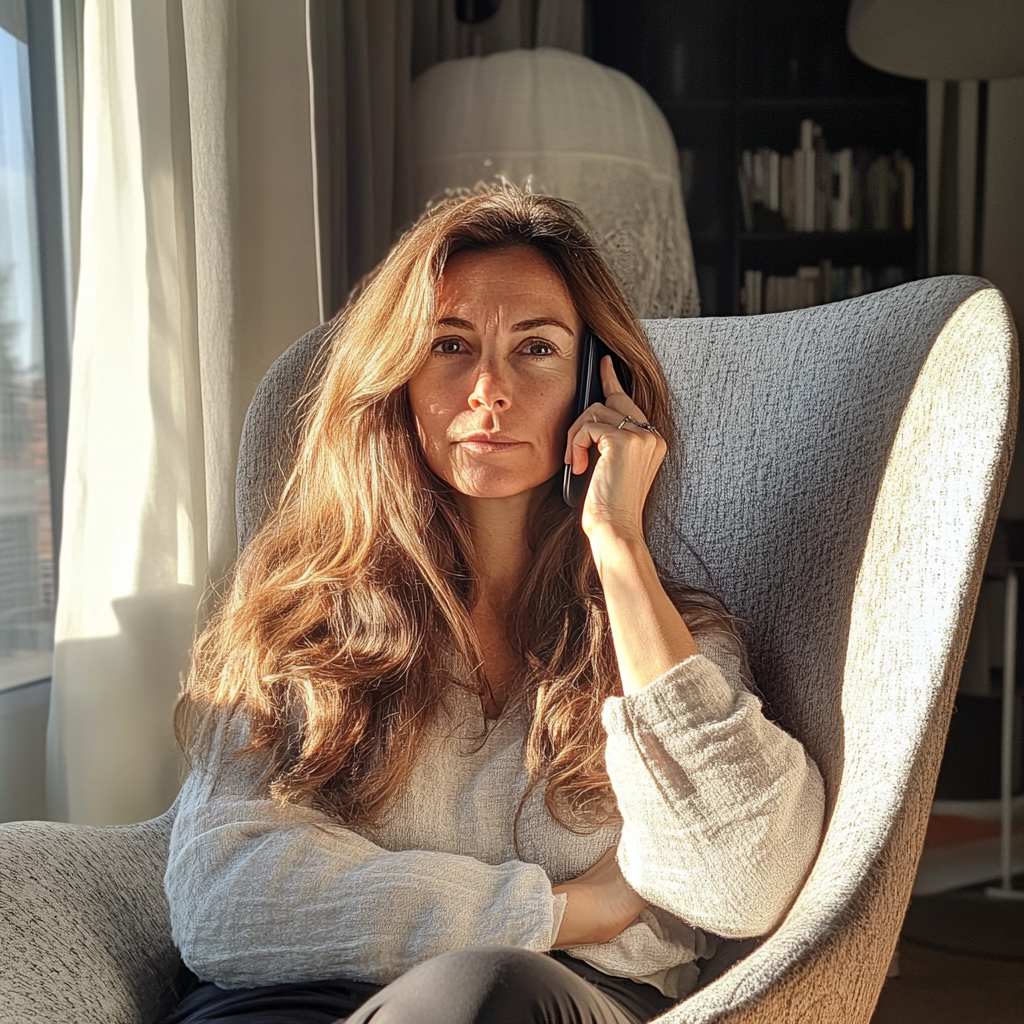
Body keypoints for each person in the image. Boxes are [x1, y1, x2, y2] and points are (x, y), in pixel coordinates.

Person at [162, 186, 825, 1024]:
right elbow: (222, 899)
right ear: (398, 377)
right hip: (294, 1003)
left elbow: (745, 885)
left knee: (484, 991)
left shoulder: (665, 637)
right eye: (449, 344)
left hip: (546, 1005)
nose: (488, 388)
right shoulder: (300, 623)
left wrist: (617, 543)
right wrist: (568, 907)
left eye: (537, 348)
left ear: (598, 383)